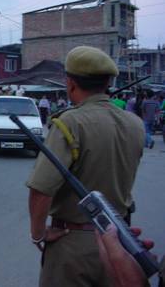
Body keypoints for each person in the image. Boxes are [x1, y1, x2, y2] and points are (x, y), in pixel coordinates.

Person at [25, 46, 145, 287]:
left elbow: (41, 189)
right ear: (108, 81)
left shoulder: (70, 122)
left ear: (70, 83)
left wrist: (38, 233)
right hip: (120, 242)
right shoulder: (134, 123)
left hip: (73, 245)